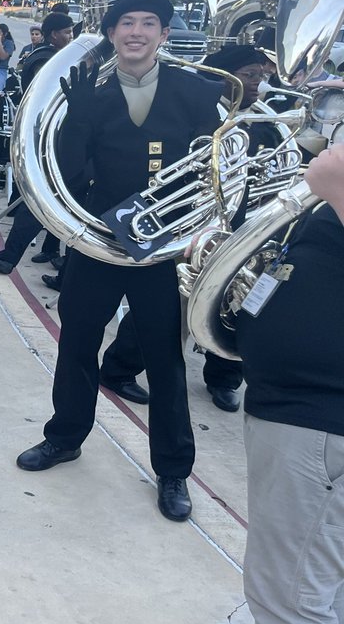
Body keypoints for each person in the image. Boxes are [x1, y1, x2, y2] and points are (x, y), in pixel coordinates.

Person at [15, 0, 223, 522]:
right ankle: (65, 437)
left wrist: (193, 230)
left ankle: (173, 470)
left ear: (164, 33)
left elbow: (215, 173)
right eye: (126, 22)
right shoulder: (93, 92)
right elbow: (65, 171)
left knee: (165, 358)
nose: (136, 32)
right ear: (110, 34)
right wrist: (79, 120)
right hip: (99, 241)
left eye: (148, 23)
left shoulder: (196, 92)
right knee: (77, 343)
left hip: (161, 250)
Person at [188, 144, 344, 624]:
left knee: (291, 598)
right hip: (310, 413)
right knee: (314, 586)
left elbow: (330, 168)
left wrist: (328, 169)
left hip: (317, 420)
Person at [97, 44, 281, 413]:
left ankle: (224, 378)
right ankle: (119, 368)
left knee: (237, 305)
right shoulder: (195, 114)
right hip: (188, 229)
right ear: (221, 78)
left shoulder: (265, 124)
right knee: (169, 310)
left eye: (261, 76)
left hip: (242, 231)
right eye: (249, 76)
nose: (258, 84)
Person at [0, 13, 74, 276]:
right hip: (54, 140)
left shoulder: (48, 55)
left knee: (60, 203)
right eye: (67, 32)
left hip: (62, 140)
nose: (71, 37)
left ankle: (50, 256)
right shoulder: (46, 59)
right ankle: (18, 257)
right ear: (54, 34)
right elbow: (55, 96)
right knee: (44, 202)